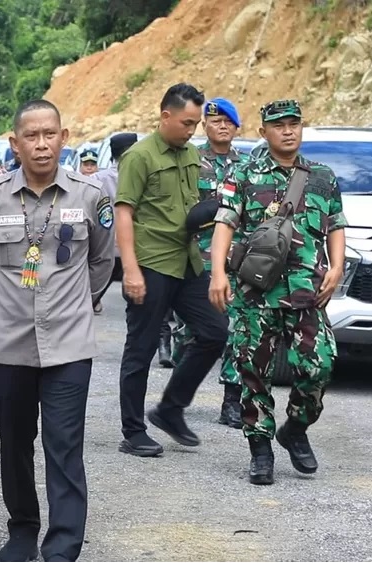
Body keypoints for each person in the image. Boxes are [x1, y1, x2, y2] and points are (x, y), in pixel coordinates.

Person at [0, 99, 114, 562]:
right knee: (14, 444)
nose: (42, 144)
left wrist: (74, 304)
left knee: (64, 443)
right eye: (31, 136)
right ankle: (22, 530)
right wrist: (12, 303)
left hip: (69, 344)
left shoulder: (90, 197)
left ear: (64, 137)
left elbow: (102, 261)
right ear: (15, 143)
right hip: (9, 344)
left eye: (50, 134)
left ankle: (64, 541)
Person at [209, 99, 346, 485]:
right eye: (279, 125)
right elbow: (225, 223)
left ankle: (295, 429)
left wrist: (336, 266)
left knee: (318, 367)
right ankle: (261, 449)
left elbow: (335, 223)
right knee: (253, 373)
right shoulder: (245, 172)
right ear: (264, 130)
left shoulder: (322, 176)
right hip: (256, 292)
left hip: (307, 291)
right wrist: (217, 273)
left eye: (294, 123)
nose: (288, 130)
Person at [115, 83, 229, 458]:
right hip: (150, 262)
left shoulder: (191, 156)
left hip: (187, 260)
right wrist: (129, 270)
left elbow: (192, 206)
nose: (192, 130)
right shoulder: (139, 157)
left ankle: (170, 408)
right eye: (186, 123)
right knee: (141, 349)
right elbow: (124, 212)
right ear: (165, 116)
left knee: (214, 332)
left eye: (196, 124)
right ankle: (133, 431)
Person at [171, 97, 246, 428]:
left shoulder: (246, 167)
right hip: (197, 257)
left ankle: (232, 400)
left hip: (237, 258)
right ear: (205, 125)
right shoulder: (191, 161)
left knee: (236, 329)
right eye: (216, 121)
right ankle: (180, 382)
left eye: (228, 122)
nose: (222, 126)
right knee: (196, 332)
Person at [90, 132, 138, 314]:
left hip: (105, 245)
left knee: (93, 291)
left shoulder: (97, 180)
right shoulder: (141, 177)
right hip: (135, 246)